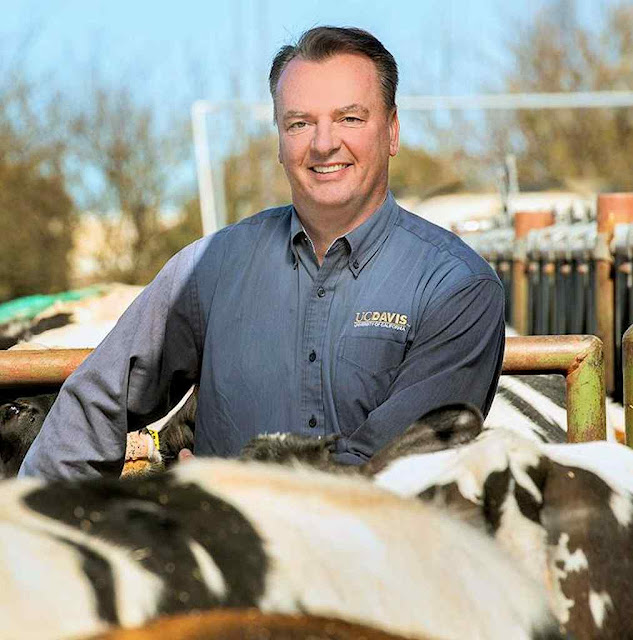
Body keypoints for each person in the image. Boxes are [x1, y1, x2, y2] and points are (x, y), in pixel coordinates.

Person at [20, 26, 505, 480]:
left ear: (393, 131)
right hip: (226, 564)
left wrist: (229, 491)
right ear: (279, 140)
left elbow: (396, 469)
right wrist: (42, 530)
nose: (323, 143)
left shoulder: (457, 287)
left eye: (349, 118)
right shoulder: (208, 268)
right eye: (299, 123)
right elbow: (95, 403)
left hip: (378, 565)